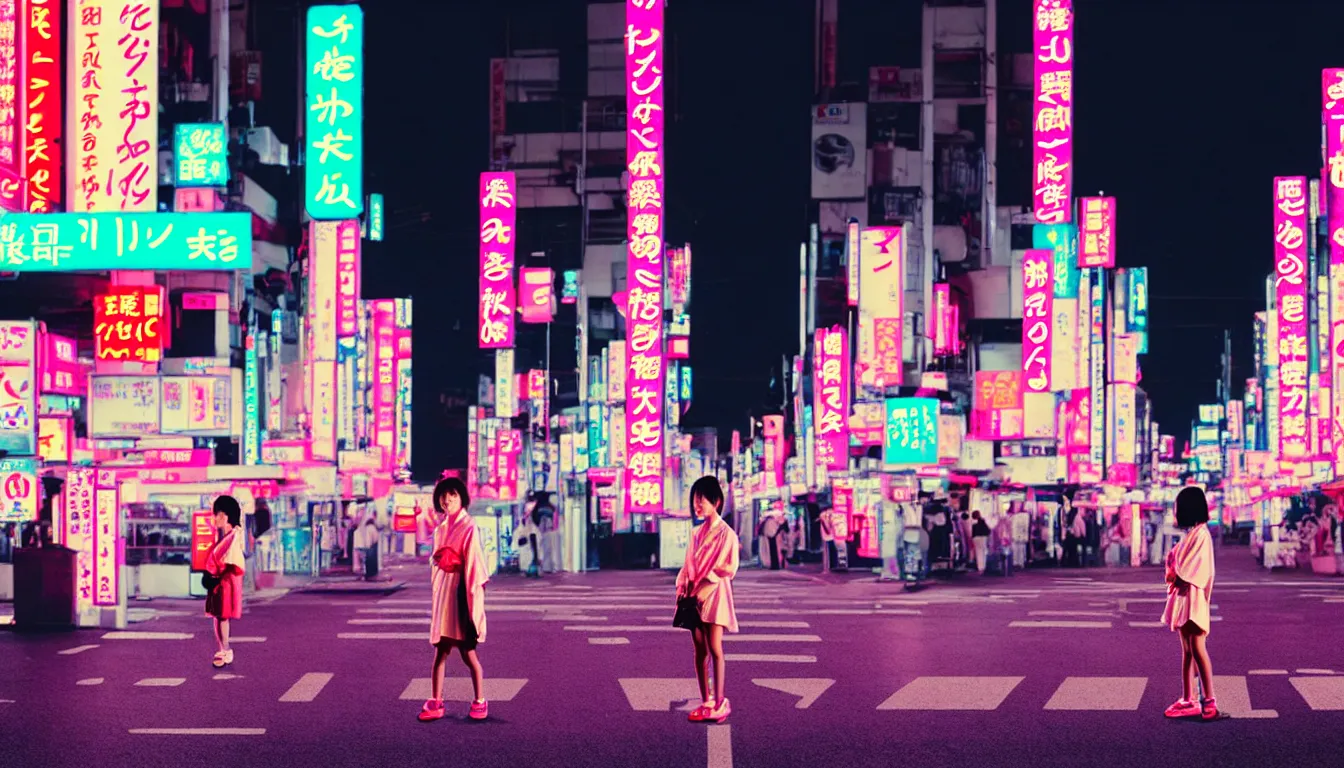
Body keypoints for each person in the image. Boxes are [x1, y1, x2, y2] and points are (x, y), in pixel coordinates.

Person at [418, 477, 490, 722]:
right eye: (443, 495)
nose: (447, 499)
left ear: (461, 498)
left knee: (468, 652)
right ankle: (436, 700)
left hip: (460, 593)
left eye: (453, 495)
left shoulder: (469, 527)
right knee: (440, 651)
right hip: (445, 595)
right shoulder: (440, 529)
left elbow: (474, 566)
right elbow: (436, 563)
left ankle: (480, 699)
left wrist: (474, 601)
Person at [676, 476, 739, 724]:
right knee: (699, 650)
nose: (697, 505)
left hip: (715, 595)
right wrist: (682, 585)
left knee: (715, 648)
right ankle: (707, 700)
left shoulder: (727, 534)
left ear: (716, 501)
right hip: (693, 596)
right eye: (695, 501)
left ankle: (721, 700)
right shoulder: (695, 533)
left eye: (701, 500)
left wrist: (706, 584)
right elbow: (687, 564)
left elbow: (728, 567)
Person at [1161, 486, 1219, 720]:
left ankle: (1209, 700)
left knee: (1197, 648)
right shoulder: (1195, 533)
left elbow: (1186, 568)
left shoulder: (1201, 535)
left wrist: (1175, 568)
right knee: (1187, 651)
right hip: (1186, 599)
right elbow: (1177, 561)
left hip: (1193, 598)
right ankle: (1189, 698)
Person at [204, 495, 246, 668]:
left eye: (217, 514)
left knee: (222, 616)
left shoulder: (232, 537)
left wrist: (214, 575)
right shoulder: (228, 535)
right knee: (218, 616)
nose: (214, 519)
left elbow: (226, 560)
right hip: (221, 581)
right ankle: (223, 648)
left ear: (224, 516)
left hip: (224, 582)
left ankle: (225, 650)